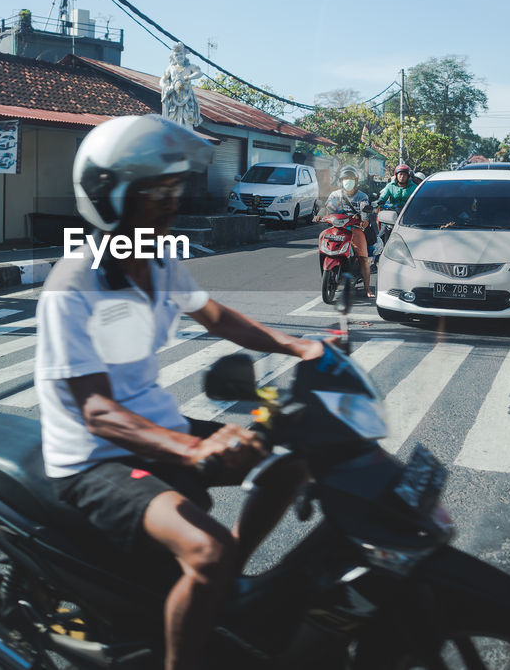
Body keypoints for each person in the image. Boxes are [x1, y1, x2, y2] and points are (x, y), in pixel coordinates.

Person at [36, 114, 325, 670]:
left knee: (291, 463)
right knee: (207, 550)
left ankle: (214, 588)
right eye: (154, 193)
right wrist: (192, 449)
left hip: (160, 430)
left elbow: (219, 318)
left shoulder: (158, 258)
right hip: (97, 459)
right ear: (110, 198)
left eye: (173, 189)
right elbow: (96, 411)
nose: (170, 203)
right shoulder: (72, 284)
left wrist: (302, 347)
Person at [319, 166, 374, 298]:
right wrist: (318, 215)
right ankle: (327, 274)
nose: (348, 181)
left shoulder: (362, 196)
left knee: (362, 257)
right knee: (322, 237)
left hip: (354, 229)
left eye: (351, 179)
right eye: (345, 179)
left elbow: (365, 211)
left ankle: (367, 289)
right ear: (341, 181)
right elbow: (326, 208)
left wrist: (364, 220)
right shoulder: (335, 195)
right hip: (336, 228)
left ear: (356, 181)